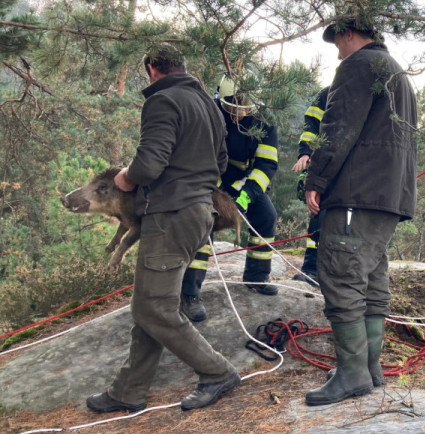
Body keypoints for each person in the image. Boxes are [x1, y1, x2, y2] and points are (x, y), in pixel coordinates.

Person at [86, 45, 240, 413]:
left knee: (154, 308)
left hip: (170, 214)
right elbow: (221, 161)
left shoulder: (163, 101)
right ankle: (128, 390)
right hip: (199, 212)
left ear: (152, 68)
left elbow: (147, 167)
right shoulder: (208, 105)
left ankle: (217, 372)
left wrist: (125, 178)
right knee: (150, 305)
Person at [303, 19, 417, 406]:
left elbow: (337, 127)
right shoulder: (398, 73)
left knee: (342, 278)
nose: (337, 50)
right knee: (370, 281)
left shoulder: (357, 66)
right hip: (388, 199)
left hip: (355, 194)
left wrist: (316, 179)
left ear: (348, 34)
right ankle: (369, 369)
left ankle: (352, 375)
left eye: (337, 41)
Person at [179, 73, 280, 322]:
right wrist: (214, 193)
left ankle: (257, 276)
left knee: (266, 217)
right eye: (232, 108)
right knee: (204, 223)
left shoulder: (265, 122)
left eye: (244, 108)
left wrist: (245, 195)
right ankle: (189, 294)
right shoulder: (209, 113)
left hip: (245, 182)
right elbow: (198, 156)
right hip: (208, 180)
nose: (238, 114)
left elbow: (266, 166)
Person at [291, 86, 330, 288]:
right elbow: (311, 128)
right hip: (323, 167)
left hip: (352, 171)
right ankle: (310, 270)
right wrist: (305, 154)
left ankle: (326, 273)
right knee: (317, 216)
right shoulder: (326, 95)